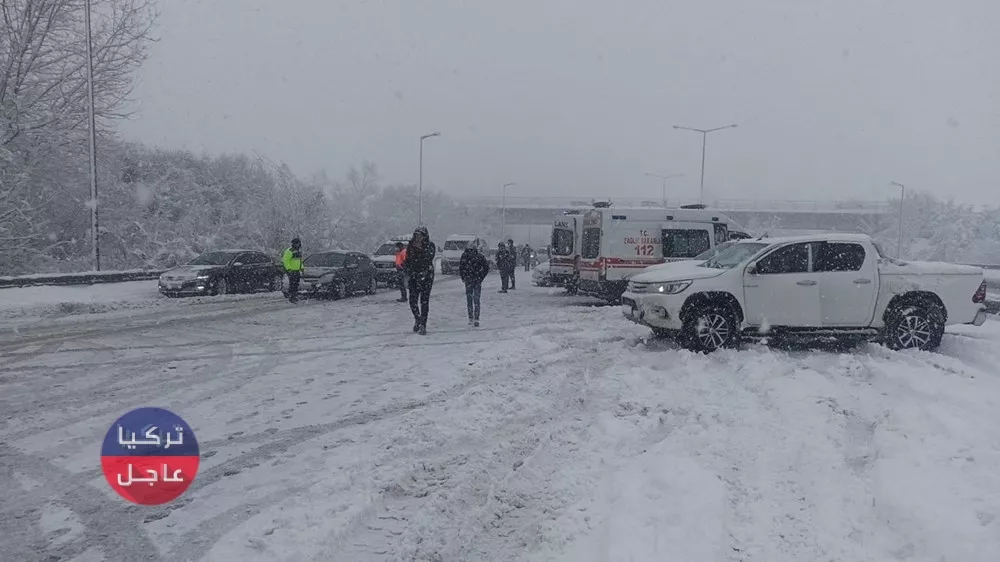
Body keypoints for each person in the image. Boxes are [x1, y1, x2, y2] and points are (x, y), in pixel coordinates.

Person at [403, 226, 436, 335]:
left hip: (426, 276)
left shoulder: (430, 246)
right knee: (412, 301)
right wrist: (407, 272)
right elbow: (407, 261)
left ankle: (423, 324)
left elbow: (428, 259)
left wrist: (420, 250)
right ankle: (417, 318)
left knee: (424, 301)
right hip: (413, 276)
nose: (418, 238)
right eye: (416, 235)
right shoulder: (410, 246)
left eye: (420, 235)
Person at [459, 244, 490, 327]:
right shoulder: (479, 256)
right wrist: (481, 277)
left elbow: (461, 267)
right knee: (476, 300)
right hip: (476, 280)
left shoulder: (465, 256)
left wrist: (464, 277)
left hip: (469, 280)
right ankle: (476, 318)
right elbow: (486, 267)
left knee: (470, 300)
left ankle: (471, 317)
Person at [282, 237, 304, 303]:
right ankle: (292, 297)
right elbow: (285, 260)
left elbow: (300, 260)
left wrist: (302, 267)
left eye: (299, 243)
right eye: (297, 243)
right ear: (294, 244)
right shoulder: (290, 251)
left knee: (296, 284)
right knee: (292, 284)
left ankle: (293, 295)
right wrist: (289, 269)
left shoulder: (298, 251)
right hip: (291, 271)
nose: (298, 245)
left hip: (297, 270)